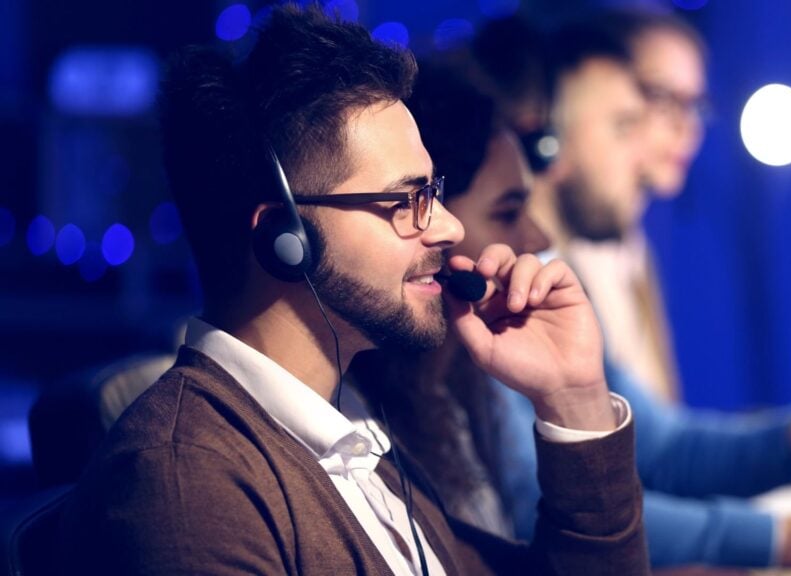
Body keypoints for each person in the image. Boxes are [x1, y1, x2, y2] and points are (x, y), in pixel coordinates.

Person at [55, 5, 648, 574]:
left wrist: (574, 400)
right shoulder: (186, 486)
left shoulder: (354, 438)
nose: (448, 226)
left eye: (433, 192)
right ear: (285, 237)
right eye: (406, 200)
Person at [467, 11, 791, 568]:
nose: (660, 141)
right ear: (543, 141)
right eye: (625, 123)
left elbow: (657, 445)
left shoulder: (560, 269)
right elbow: (533, 502)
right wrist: (778, 537)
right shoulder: (491, 291)